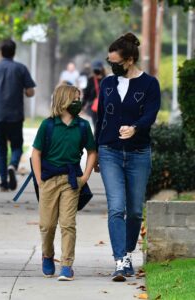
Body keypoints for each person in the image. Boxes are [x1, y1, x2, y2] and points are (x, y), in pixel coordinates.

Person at [95, 32, 161, 282]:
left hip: (138, 153)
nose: (112, 66)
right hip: (109, 150)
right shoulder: (108, 84)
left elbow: (150, 115)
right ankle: (120, 260)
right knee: (116, 208)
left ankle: (128, 250)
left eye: (116, 63)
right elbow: (100, 118)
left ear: (130, 60)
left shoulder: (149, 84)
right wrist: (95, 151)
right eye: (109, 61)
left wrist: (135, 127)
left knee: (134, 211)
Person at [31, 84, 96, 281]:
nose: (79, 102)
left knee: (68, 223)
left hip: (71, 180)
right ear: (64, 100)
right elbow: (36, 153)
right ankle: (48, 255)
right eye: (75, 99)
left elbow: (92, 152)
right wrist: (40, 179)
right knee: (47, 225)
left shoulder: (83, 126)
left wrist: (85, 177)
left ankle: (67, 265)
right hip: (49, 180)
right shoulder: (48, 125)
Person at [0, 39, 36, 191]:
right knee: (17, 146)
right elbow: (31, 92)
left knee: (0, 148)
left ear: (0, 52)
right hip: (15, 115)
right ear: (14, 52)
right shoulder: (20, 68)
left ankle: (3, 182)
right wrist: (24, 91)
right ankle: (13, 164)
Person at [82, 60, 106, 128]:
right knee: (96, 124)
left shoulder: (106, 79)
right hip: (94, 106)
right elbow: (86, 94)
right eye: (95, 68)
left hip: (105, 106)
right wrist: (82, 105)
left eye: (98, 68)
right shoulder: (91, 80)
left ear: (102, 68)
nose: (97, 70)